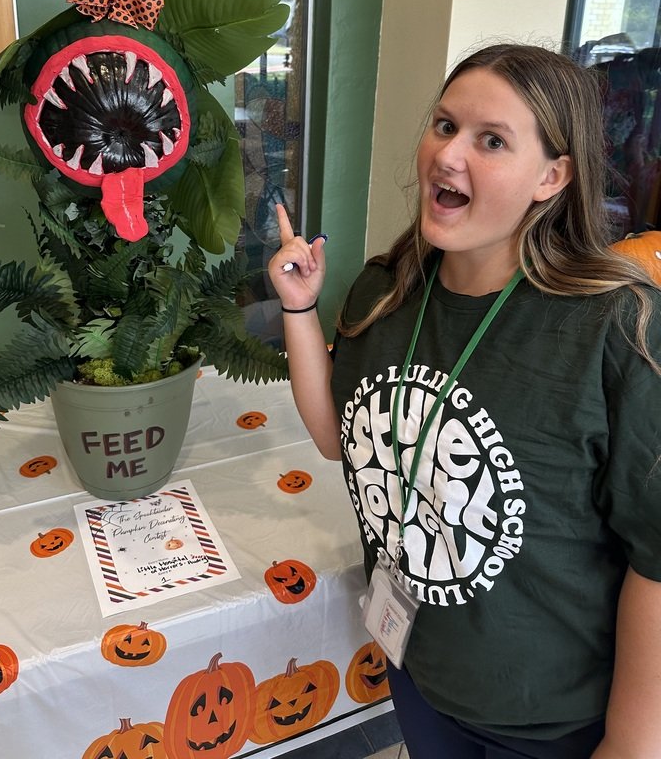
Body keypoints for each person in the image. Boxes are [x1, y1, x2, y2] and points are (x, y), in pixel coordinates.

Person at [267, 43, 661, 759]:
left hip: (551, 723)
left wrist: (634, 745)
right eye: (445, 126)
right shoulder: (387, 289)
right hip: (420, 677)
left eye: (491, 141)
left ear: (552, 176)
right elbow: (335, 439)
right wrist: (299, 310)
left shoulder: (617, 327)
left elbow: (656, 555)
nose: (448, 155)